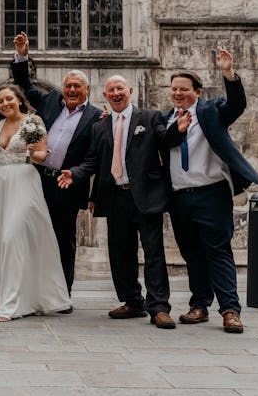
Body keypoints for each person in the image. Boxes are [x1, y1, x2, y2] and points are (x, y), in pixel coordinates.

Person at [57, 75, 190, 329]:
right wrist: (74, 173)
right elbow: (93, 161)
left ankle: (159, 307)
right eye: (110, 90)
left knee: (153, 253)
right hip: (115, 196)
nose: (116, 93)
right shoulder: (100, 127)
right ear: (105, 96)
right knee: (120, 253)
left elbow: (165, 140)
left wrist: (179, 130)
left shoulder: (150, 118)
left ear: (129, 91)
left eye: (120, 89)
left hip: (146, 196)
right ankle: (132, 301)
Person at [165, 47, 258, 334]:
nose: (178, 93)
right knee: (192, 253)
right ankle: (199, 305)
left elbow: (236, 105)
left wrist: (228, 73)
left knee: (218, 251)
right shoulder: (166, 119)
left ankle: (230, 310)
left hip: (211, 193)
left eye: (184, 89)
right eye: (174, 89)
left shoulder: (211, 111)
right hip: (180, 197)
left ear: (197, 91)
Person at [11, 32, 101, 294]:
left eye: (77, 86)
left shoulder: (97, 117)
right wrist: (22, 55)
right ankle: (34, 288)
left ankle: (62, 291)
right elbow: (25, 86)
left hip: (66, 185)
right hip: (38, 180)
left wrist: (75, 174)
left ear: (87, 90)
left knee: (64, 239)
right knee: (33, 234)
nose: (72, 90)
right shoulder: (50, 100)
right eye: (68, 85)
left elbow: (94, 157)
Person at [0, 84, 72, 321]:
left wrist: (34, 152)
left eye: (9, 99)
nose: (5, 104)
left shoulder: (33, 121)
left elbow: (42, 155)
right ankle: (24, 298)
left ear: (19, 100)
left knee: (11, 237)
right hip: (1, 183)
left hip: (24, 180)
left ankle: (11, 305)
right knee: (2, 240)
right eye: (0, 101)